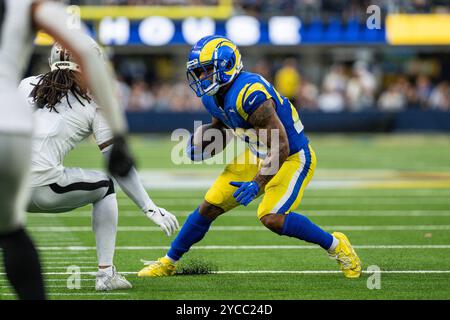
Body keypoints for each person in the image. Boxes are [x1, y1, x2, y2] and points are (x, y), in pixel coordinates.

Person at [137, 35, 361, 279]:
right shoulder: (212, 96)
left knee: (271, 217)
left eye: (207, 70)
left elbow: (281, 146)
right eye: (199, 72)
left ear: (227, 65)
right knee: (209, 206)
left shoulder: (250, 94)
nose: (201, 78)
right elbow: (222, 127)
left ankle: (336, 245)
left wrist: (257, 184)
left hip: (292, 157)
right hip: (257, 153)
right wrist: (204, 141)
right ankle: (169, 262)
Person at [18, 41, 179, 291]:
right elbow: (117, 161)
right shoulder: (95, 98)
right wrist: (149, 207)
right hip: (42, 186)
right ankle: (106, 275)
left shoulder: (26, 84)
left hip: (6, 185)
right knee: (105, 187)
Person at [0, 0, 134, 299]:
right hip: (9, 129)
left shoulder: (30, 83)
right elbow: (84, 52)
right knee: (11, 233)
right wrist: (119, 132)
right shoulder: (27, 6)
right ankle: (105, 273)